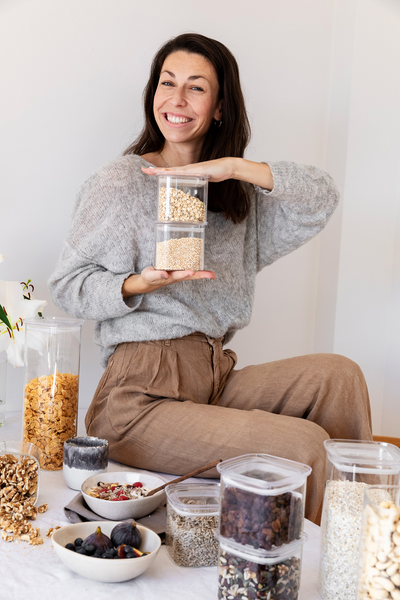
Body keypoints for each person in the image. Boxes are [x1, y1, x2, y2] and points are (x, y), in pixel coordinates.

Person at [48, 33, 372, 523]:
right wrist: (139, 283)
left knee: (339, 375)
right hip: (138, 396)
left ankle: (361, 543)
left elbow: (320, 198)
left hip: (213, 376)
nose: (176, 99)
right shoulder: (120, 182)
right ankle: (325, 573)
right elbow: (66, 286)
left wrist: (234, 168)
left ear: (220, 107)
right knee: (303, 443)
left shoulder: (235, 201)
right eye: (167, 83)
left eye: (196, 88)